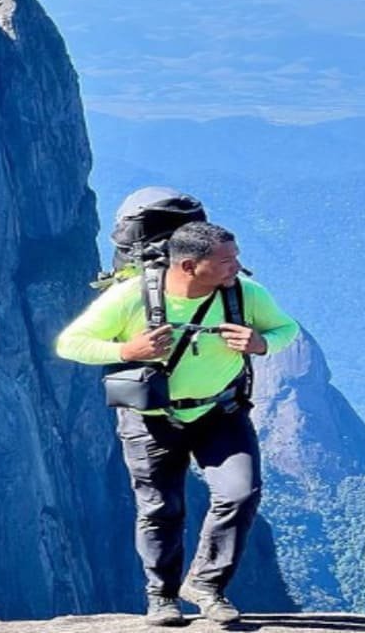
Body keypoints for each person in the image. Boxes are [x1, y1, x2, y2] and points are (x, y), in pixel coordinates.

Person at [55, 221, 299, 626]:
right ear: (188, 266)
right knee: (160, 509)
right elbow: (70, 343)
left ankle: (206, 583)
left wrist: (261, 343)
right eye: (226, 261)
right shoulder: (131, 297)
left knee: (240, 493)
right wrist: (126, 349)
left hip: (221, 413)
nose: (236, 267)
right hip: (151, 420)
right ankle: (162, 597)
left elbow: (285, 328)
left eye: (235, 257)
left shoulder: (244, 295)